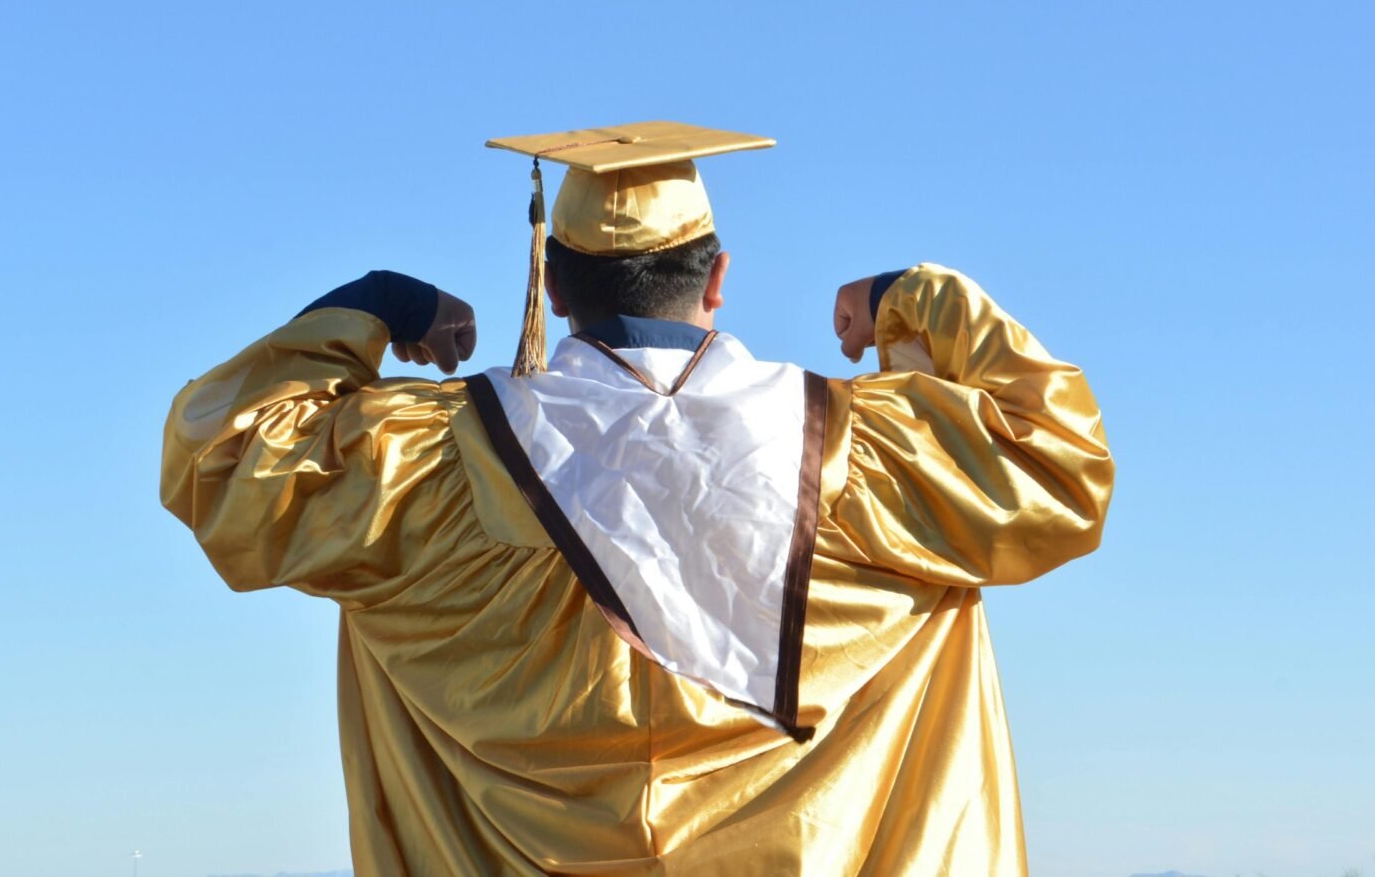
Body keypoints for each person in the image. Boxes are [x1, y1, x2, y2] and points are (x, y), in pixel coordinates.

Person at [160, 121, 1114, 875]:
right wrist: (920, 296)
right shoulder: (872, 455)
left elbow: (225, 454)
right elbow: (1061, 457)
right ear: (720, 280)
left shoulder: (432, 461)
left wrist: (373, 303)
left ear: (556, 289)